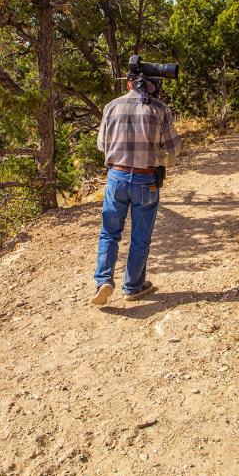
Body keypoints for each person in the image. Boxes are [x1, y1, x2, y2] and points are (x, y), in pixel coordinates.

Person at [92, 76, 181, 306]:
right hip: (145, 178)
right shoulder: (160, 109)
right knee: (140, 236)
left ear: (129, 84)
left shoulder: (111, 106)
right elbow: (173, 147)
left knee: (109, 233)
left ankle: (104, 281)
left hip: (116, 177)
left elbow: (102, 145)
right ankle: (132, 286)